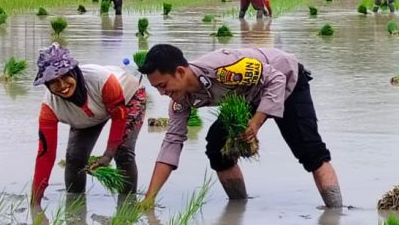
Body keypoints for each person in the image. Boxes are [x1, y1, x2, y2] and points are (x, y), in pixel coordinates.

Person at [137, 44, 342, 208]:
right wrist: (149, 198)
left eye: (163, 86)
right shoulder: (180, 100)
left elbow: (276, 80)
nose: (163, 93)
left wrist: (255, 123)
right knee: (217, 147)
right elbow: (172, 141)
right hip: (247, 97)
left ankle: (336, 215)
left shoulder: (223, 68)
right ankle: (238, 209)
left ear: (180, 72)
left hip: (286, 79)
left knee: (309, 150)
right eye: (157, 88)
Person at [30, 43, 146, 204]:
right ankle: (75, 211)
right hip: (88, 112)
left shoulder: (101, 80)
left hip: (126, 98)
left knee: (123, 153)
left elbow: (119, 117)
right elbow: (45, 155)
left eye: (65, 76)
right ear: (47, 85)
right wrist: (35, 203)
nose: (62, 85)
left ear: (74, 72)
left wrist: (107, 155)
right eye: (54, 82)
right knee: (74, 158)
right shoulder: (50, 108)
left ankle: (127, 208)